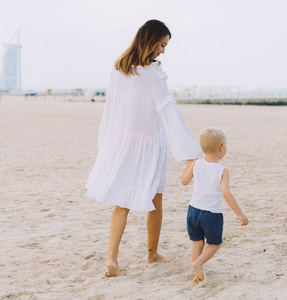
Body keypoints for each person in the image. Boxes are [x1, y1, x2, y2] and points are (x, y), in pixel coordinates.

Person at [86, 20, 201, 277]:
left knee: (122, 202)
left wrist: (106, 142)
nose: (163, 50)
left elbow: (111, 109)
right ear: (150, 40)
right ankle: (151, 254)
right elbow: (167, 109)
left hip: (122, 142)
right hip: (149, 143)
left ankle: (112, 259)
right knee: (156, 199)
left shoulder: (119, 68)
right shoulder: (153, 73)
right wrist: (188, 149)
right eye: (161, 44)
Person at [181, 127, 249, 283]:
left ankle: (196, 272)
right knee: (215, 243)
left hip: (193, 211)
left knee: (197, 243)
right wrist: (240, 214)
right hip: (211, 214)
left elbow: (184, 181)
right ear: (222, 147)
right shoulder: (222, 170)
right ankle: (198, 263)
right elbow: (226, 193)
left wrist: (189, 164)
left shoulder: (196, 163)